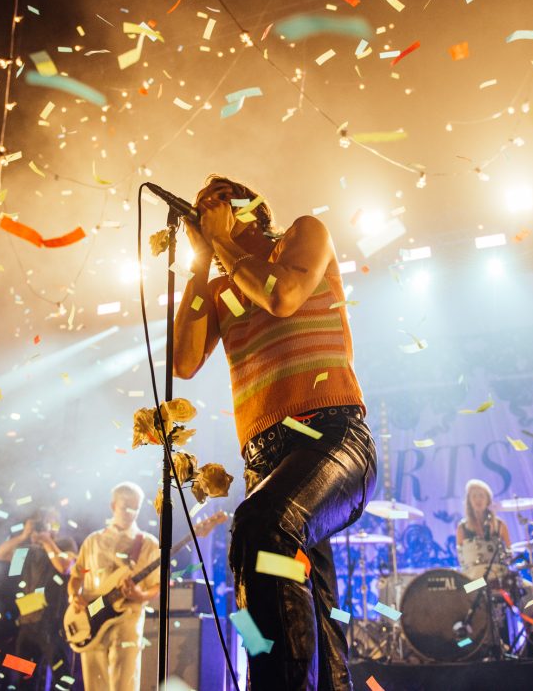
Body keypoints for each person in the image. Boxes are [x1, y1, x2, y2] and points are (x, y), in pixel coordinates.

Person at [173, 175, 377, 690]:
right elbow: (184, 361)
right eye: (202, 209)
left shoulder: (302, 236)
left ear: (251, 208)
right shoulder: (219, 287)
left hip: (330, 435)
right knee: (312, 606)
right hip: (265, 462)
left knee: (262, 529)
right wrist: (201, 263)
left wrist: (222, 242)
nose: (207, 212)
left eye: (218, 203)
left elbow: (282, 295)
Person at [67, 483, 159, 691]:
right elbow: (77, 575)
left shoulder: (148, 544)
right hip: (91, 618)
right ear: (113, 506)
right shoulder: (93, 541)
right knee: (95, 686)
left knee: (124, 686)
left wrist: (140, 594)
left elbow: (157, 586)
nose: (130, 513)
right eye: (125, 507)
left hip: (127, 622)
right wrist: (74, 595)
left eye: (135, 508)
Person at [0, 507, 79, 691]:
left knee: (62, 677)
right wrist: (23, 536)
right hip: (27, 622)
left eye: (52, 521)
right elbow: (0, 554)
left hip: (54, 623)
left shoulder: (65, 544)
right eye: (44, 522)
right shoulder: (29, 551)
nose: (47, 525)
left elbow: (64, 567)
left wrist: (47, 541)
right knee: (23, 676)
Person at [455, 478, 512, 575]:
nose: (478, 499)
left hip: (499, 575)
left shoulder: (500, 525)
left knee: (524, 584)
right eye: (474, 496)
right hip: (473, 578)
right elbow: (461, 558)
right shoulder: (462, 528)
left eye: (481, 495)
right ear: (469, 501)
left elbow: (509, 551)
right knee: (467, 585)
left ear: (488, 500)